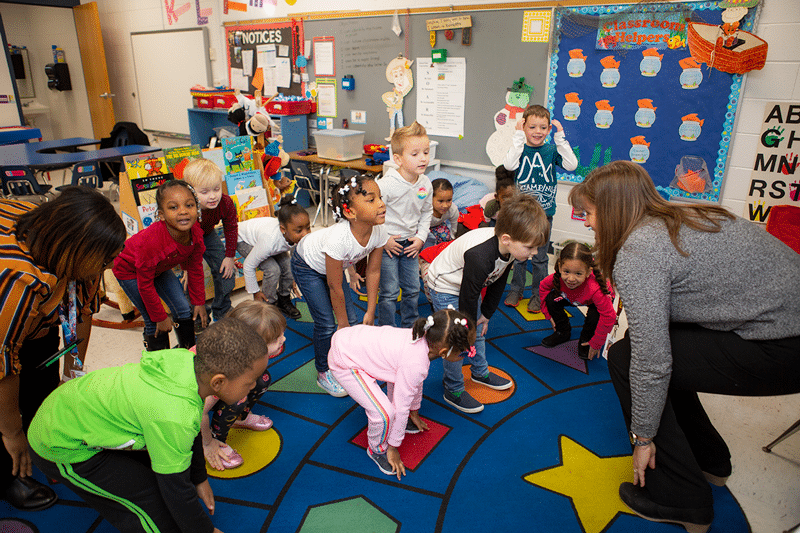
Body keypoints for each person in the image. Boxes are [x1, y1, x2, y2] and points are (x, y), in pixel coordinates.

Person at [569, 160, 800, 533]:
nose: (588, 223)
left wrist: (642, 438)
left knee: (628, 357)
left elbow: (652, 361)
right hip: (783, 330)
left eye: (590, 213)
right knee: (648, 346)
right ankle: (711, 460)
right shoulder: (684, 213)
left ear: (612, 211)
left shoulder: (639, 250)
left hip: (784, 347)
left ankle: (681, 497)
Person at [28, 317, 270, 533]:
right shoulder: (174, 415)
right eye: (249, 382)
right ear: (218, 382)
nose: (253, 387)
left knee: (161, 478)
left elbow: (194, 426)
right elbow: (177, 490)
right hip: (59, 442)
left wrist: (198, 478)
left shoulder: (188, 361)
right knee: (148, 502)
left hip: (74, 410)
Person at [0, 187, 125, 511]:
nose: (107, 266)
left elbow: (81, 315)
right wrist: (12, 432)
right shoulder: (20, 280)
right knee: (5, 410)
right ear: (75, 250)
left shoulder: (77, 258)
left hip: (32, 322)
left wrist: (71, 377)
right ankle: (9, 472)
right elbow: (3, 361)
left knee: (40, 381)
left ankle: (40, 445)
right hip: (3, 325)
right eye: (102, 259)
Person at [427, 194, 549, 413]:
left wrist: (487, 313)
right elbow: (467, 296)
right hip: (445, 284)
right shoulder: (480, 255)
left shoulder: (511, 248)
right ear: (506, 239)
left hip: (470, 283)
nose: (535, 253)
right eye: (531, 247)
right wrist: (467, 328)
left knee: (478, 328)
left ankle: (479, 372)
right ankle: (453, 389)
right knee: (457, 337)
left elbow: (499, 278)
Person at [330, 308, 476, 479]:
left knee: (397, 394)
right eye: (465, 352)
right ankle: (377, 449)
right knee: (384, 414)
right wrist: (393, 447)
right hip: (345, 360)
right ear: (444, 352)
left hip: (350, 340)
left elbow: (411, 384)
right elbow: (401, 405)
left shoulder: (422, 337)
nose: (467, 355)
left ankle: (395, 429)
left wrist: (413, 412)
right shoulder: (415, 363)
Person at [291, 174, 387, 397]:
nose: (381, 204)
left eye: (380, 197)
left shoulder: (379, 230)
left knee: (354, 320)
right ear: (350, 212)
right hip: (307, 266)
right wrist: (341, 325)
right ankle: (324, 372)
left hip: (334, 266)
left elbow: (373, 271)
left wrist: (371, 311)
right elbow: (335, 287)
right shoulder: (338, 238)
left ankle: (349, 362)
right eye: (371, 200)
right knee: (327, 323)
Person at [113, 180, 208, 351]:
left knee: (184, 308)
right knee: (153, 319)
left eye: (189, 205)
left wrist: (199, 302)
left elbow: (195, 268)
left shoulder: (195, 234)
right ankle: (158, 363)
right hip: (130, 271)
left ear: (197, 208)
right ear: (161, 215)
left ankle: (188, 353)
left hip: (158, 267)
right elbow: (145, 284)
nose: (183, 211)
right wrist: (160, 316)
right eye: (173, 207)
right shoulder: (153, 243)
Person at [503, 104, 578, 313]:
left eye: (543, 128)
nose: (538, 132)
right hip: (522, 216)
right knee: (518, 257)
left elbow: (572, 165)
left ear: (549, 130)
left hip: (544, 215)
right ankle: (516, 289)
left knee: (540, 258)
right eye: (532, 127)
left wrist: (560, 139)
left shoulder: (551, 150)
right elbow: (509, 165)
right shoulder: (520, 148)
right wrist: (518, 136)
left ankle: (538, 294)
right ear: (523, 127)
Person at [201, 301, 286, 470]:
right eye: (277, 338)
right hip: (191, 404)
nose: (283, 339)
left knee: (262, 379)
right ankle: (217, 439)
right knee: (237, 398)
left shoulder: (243, 355)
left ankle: (240, 419)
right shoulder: (223, 372)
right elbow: (199, 412)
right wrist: (207, 443)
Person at [377, 122, 433, 328]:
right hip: (388, 245)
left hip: (411, 244)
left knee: (411, 288)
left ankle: (409, 324)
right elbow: (374, 214)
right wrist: (384, 239)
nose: (423, 158)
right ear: (398, 159)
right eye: (415, 154)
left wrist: (421, 238)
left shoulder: (425, 183)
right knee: (390, 291)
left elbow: (427, 212)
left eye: (426, 152)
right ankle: (386, 328)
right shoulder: (386, 184)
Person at [538, 242, 615, 360]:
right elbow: (543, 287)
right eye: (566, 272)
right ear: (559, 267)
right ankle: (562, 332)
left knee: (595, 317)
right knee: (551, 299)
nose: (571, 279)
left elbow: (609, 316)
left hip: (596, 300)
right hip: (573, 297)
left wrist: (596, 343)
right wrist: (548, 315)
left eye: (578, 273)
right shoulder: (556, 278)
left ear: (588, 272)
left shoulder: (595, 289)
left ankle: (586, 340)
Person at [182, 158, 238, 324]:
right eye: (204, 192)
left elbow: (231, 228)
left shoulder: (226, 203)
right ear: (190, 192)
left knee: (226, 270)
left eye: (216, 189)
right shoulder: (186, 209)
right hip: (186, 239)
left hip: (207, 233)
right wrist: (186, 266)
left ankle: (223, 309)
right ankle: (197, 315)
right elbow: (184, 239)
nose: (213, 196)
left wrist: (229, 257)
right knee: (189, 278)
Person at [237, 196, 310, 319]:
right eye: (299, 231)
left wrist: (293, 279)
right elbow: (248, 265)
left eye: (308, 228)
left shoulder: (293, 234)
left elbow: (294, 258)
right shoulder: (269, 242)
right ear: (283, 229)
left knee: (288, 266)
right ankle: (268, 304)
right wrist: (255, 292)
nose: (305, 234)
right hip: (243, 239)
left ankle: (284, 299)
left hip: (270, 241)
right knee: (272, 269)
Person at [425, 178, 459, 248]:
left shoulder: (452, 209)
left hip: (437, 225)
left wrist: (452, 240)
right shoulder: (425, 209)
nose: (445, 205)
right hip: (420, 226)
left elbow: (454, 227)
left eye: (449, 200)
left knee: (446, 238)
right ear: (430, 198)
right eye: (440, 201)